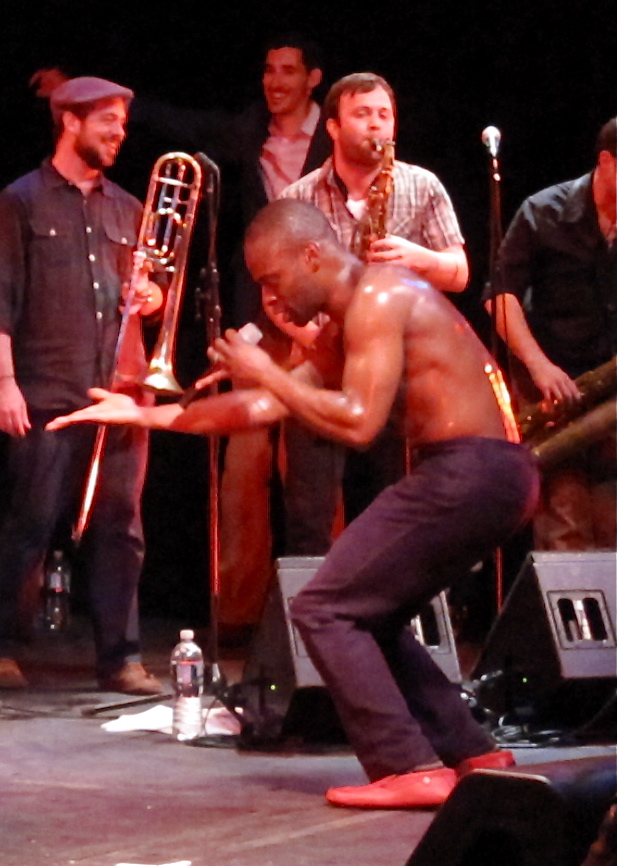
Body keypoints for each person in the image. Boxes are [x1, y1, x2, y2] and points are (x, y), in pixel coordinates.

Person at [48, 199, 538, 808]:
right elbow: (264, 406)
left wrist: (266, 370)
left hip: (473, 470)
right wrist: (149, 415)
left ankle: (408, 765)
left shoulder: (379, 294)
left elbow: (358, 421)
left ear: (311, 255)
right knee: (371, 612)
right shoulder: (343, 324)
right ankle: (470, 750)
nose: (270, 300)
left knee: (323, 607)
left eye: (273, 280)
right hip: (490, 475)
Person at [35, 37, 333, 636]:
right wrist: (100, 97)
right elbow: (184, 122)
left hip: (323, 319)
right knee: (244, 469)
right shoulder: (249, 130)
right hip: (259, 315)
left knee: (316, 476)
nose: (274, 81)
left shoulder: (335, 136)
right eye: (268, 70)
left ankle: (325, 609)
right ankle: (240, 618)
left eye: (288, 71)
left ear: (313, 79)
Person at [0, 76, 164, 694]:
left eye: (123, 122)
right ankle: (0, 644)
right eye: (107, 120)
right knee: (32, 520)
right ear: (70, 122)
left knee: (121, 529)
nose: (119, 133)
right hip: (47, 389)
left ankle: (120, 657)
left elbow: (151, 296)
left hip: (121, 394)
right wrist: (4, 383)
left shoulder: (128, 207)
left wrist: (153, 298)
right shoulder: (19, 202)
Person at [279, 71, 470, 530]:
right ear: (332, 126)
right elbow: (274, 296)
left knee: (396, 517)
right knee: (309, 521)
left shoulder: (422, 186)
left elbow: (460, 273)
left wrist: (420, 258)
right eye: (362, 114)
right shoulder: (296, 198)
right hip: (321, 374)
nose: (376, 125)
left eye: (384, 115)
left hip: (400, 373)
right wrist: (318, 341)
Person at [486, 116, 617, 550]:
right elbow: (499, 296)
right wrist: (540, 367)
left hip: (609, 391)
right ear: (606, 162)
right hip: (551, 388)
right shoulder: (543, 211)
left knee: (611, 524)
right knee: (566, 519)